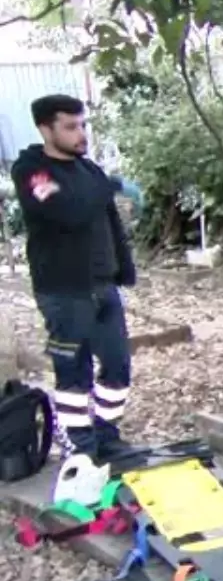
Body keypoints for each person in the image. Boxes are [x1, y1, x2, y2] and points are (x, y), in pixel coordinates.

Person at [10, 95, 143, 457]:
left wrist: (122, 270)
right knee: (73, 371)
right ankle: (80, 446)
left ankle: (106, 435)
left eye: (82, 124)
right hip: (63, 291)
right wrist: (112, 184)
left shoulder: (88, 170)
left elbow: (104, 219)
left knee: (117, 366)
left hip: (103, 286)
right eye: (70, 127)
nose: (80, 133)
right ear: (45, 129)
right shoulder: (32, 172)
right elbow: (70, 211)